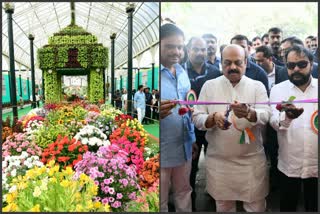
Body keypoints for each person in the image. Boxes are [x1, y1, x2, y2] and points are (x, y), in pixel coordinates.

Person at [192, 44, 270, 212]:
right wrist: (212, 119)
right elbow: (197, 118)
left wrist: (250, 113)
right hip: (219, 162)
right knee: (224, 207)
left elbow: (266, 115)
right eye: (227, 63)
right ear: (221, 63)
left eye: (238, 62)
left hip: (251, 161)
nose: (232, 67)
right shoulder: (209, 86)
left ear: (246, 62)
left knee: (255, 206)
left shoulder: (257, 86)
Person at [269, 45, 318, 212]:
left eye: (302, 64)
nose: (296, 69)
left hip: (316, 164)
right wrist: (287, 117)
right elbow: (274, 123)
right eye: (291, 66)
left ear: (312, 64)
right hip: (289, 164)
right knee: (287, 206)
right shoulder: (277, 90)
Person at [160, 23, 195, 212]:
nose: (176, 51)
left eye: (180, 47)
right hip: (163, 149)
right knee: (161, 198)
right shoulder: (153, 74)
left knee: (183, 191)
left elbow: (186, 110)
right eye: (170, 46)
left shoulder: (182, 73)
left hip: (184, 146)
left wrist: (193, 139)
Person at [184, 36, 221, 211]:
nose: (200, 53)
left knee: (215, 162)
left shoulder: (215, 72)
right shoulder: (181, 71)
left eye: (203, 49)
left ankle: (217, 198)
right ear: (188, 50)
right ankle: (190, 202)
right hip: (189, 128)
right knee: (190, 167)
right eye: (196, 49)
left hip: (212, 124)